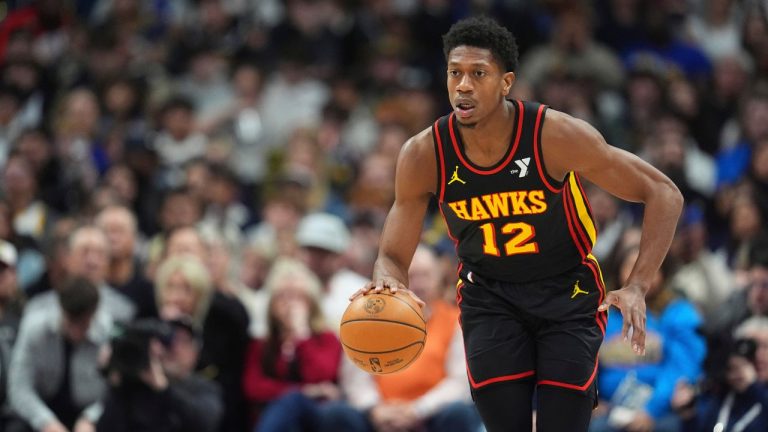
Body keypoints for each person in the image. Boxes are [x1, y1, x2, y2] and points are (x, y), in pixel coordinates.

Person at [352, 16, 683, 432]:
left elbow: (664, 193)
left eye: (478, 74)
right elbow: (391, 256)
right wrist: (389, 281)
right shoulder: (424, 154)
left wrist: (637, 285)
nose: (463, 85)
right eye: (455, 73)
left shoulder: (554, 134)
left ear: (506, 82)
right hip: (489, 297)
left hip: (568, 293)